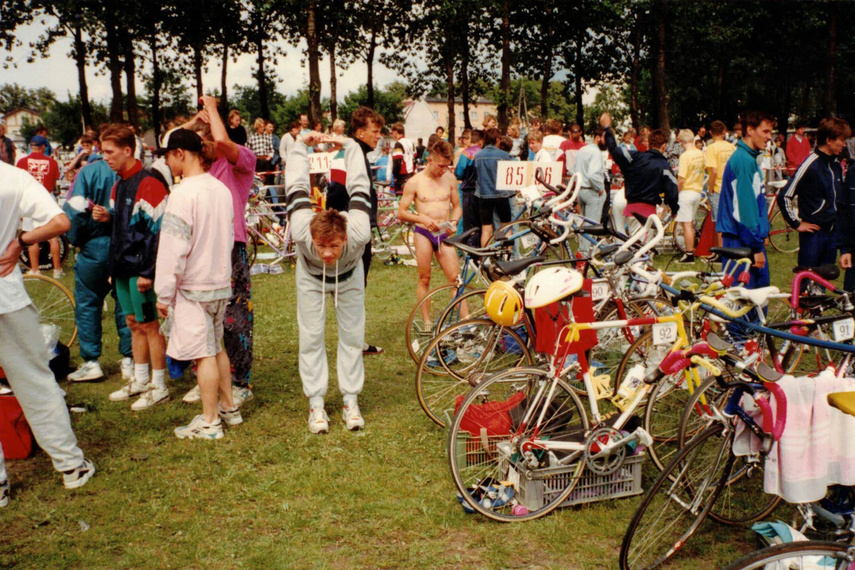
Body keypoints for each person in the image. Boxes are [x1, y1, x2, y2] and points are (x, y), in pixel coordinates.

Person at [0, 162, 96, 505]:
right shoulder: (13, 177)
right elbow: (61, 222)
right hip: (6, 296)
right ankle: (71, 465)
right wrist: (20, 242)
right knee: (35, 381)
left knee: (34, 380)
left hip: (7, 295)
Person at [153, 129, 240, 439]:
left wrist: (163, 293)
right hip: (219, 281)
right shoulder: (220, 189)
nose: (166, 162)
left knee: (204, 353)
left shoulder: (181, 194)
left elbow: (173, 248)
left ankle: (210, 420)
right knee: (216, 347)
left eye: (167, 155)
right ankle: (229, 407)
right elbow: (228, 237)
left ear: (180, 154)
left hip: (194, 286)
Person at [286, 127, 372, 433]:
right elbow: (296, 184)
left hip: (350, 276)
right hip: (310, 278)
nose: (325, 253)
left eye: (333, 245)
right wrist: (299, 146)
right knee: (311, 337)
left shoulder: (359, 229)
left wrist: (349, 144)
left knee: (352, 337)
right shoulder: (300, 227)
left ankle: (350, 399)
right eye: (320, 245)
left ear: (346, 238)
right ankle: (316, 404)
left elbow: (360, 183)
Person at [180, 96, 256, 406]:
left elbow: (223, 139)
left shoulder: (239, 160)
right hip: (200, 245)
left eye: (204, 138)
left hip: (230, 244)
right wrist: (193, 124)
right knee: (202, 314)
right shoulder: (199, 168)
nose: (201, 145)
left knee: (234, 316)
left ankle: (239, 382)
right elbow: (170, 141)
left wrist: (211, 107)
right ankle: (210, 377)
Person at [93, 124, 169, 411]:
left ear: (128, 150)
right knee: (133, 324)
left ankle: (159, 385)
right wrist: (107, 218)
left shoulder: (149, 182)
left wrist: (148, 272)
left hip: (141, 273)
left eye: (109, 152)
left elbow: (157, 232)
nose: (105, 158)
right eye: (102, 152)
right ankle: (139, 379)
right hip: (123, 269)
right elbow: (124, 227)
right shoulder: (118, 182)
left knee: (149, 325)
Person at [62, 142, 134, 385]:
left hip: (94, 246)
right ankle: (130, 359)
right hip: (124, 246)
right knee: (125, 303)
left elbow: (74, 211)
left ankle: (91, 362)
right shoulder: (133, 171)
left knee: (88, 303)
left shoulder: (89, 171)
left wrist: (78, 240)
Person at [321, 107, 385, 356]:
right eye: (375, 132)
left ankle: (354, 341)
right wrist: (341, 231)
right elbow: (335, 193)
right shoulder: (347, 154)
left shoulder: (357, 153)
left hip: (358, 231)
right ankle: (352, 344)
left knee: (357, 288)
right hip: (351, 234)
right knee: (351, 289)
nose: (379, 136)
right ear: (360, 132)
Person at [397, 140, 462, 331]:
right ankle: (427, 322)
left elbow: (457, 206)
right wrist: (422, 219)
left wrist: (455, 222)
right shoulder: (415, 182)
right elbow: (401, 212)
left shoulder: (449, 178)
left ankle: (462, 321)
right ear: (430, 160)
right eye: (441, 166)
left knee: (456, 279)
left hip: (444, 231)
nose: (444, 170)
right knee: (425, 278)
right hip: (424, 233)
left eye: (447, 166)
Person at [778, 117, 850, 270]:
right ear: (829, 140)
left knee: (823, 283)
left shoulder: (836, 165)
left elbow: (841, 204)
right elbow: (784, 195)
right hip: (813, 234)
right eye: (841, 140)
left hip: (832, 234)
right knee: (807, 281)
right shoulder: (810, 164)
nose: (844, 145)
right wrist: (796, 224)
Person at [716, 110, 775, 289]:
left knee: (756, 302)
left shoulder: (749, 159)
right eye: (765, 132)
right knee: (743, 306)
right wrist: (756, 247)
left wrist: (761, 233)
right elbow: (744, 211)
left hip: (748, 240)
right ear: (750, 130)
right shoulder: (743, 160)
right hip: (741, 242)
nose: (769, 137)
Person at [601, 113, 678, 223]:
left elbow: (614, 149)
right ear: (664, 146)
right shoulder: (664, 166)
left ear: (649, 143)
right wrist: (674, 209)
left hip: (629, 208)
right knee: (644, 240)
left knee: (627, 239)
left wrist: (607, 128)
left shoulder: (634, 157)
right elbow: (672, 190)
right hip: (647, 213)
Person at [16, 135, 62, 278]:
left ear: (31, 146)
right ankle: (57, 270)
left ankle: (35, 269)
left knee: (31, 235)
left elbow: (18, 183)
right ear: (43, 147)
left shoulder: (22, 162)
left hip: (30, 198)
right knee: (53, 235)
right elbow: (54, 183)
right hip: (47, 197)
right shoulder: (52, 162)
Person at [475, 128, 513, 247]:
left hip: (484, 195)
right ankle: (508, 257)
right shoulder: (504, 155)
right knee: (506, 226)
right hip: (502, 194)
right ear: (497, 139)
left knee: (486, 228)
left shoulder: (478, 155)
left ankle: (485, 259)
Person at [572, 127, 608, 250]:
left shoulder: (582, 150)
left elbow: (574, 171)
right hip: (592, 191)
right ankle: (584, 254)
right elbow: (593, 175)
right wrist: (601, 189)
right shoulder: (596, 152)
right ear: (598, 138)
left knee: (584, 224)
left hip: (581, 190)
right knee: (591, 226)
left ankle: (582, 252)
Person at [675, 129, 706, 263]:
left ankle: (689, 254)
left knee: (686, 225)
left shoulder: (685, 156)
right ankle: (690, 249)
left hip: (686, 191)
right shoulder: (701, 154)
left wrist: (676, 192)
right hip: (697, 190)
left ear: (682, 142)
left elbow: (681, 179)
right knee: (691, 223)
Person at [705, 120, 736, 252]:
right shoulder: (732, 147)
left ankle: (721, 251)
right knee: (732, 219)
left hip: (718, 187)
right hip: (732, 187)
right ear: (724, 132)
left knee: (719, 222)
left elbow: (714, 171)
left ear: (711, 133)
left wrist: (710, 187)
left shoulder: (711, 148)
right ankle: (732, 248)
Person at [455, 129, 483, 247]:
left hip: (468, 189)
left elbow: (459, 173)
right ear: (481, 141)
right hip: (482, 190)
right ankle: (479, 247)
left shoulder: (466, 153)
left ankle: (469, 249)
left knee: (468, 222)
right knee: (480, 222)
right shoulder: (483, 153)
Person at [390, 123, 416, 195]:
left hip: (401, 176)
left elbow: (397, 161)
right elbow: (415, 157)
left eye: (392, 133)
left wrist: (395, 175)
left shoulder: (398, 144)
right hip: (411, 174)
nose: (392, 135)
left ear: (395, 132)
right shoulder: (411, 142)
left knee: (400, 200)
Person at [247, 118, 274, 185]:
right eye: (261, 127)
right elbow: (248, 149)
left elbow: (271, 150)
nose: (263, 128)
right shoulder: (252, 138)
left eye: (263, 126)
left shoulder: (267, 137)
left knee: (266, 179)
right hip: (257, 160)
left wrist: (269, 157)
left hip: (266, 160)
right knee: (257, 178)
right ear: (257, 127)